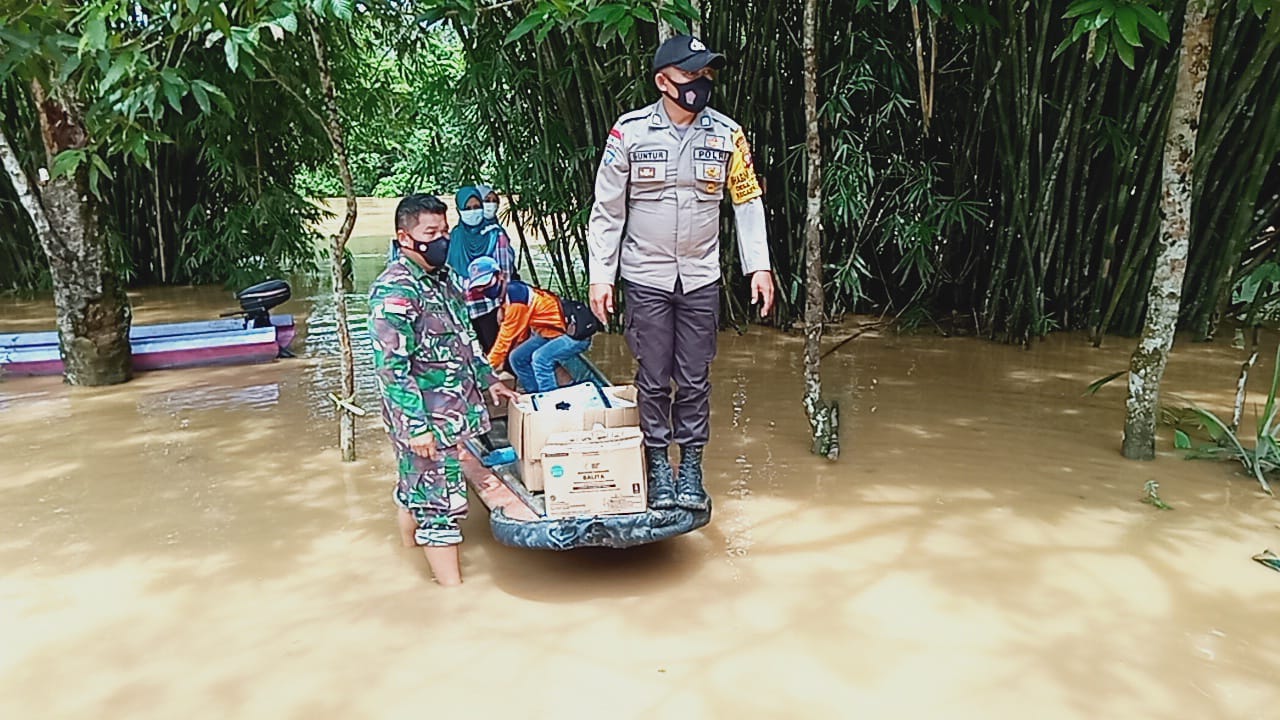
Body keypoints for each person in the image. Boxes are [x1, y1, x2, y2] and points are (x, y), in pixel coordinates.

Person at [587, 35, 775, 513]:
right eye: (691, 75)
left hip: (700, 278)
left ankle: (689, 468)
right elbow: (607, 212)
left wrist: (759, 267)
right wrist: (600, 276)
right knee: (653, 378)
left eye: (706, 75)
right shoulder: (627, 134)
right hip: (645, 276)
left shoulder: (728, 135)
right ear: (663, 81)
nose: (701, 84)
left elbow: (747, 201)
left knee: (693, 378)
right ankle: (657, 469)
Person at [368, 193, 518, 587]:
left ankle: (408, 552)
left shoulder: (445, 280)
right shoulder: (395, 292)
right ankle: (452, 597)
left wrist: (490, 380)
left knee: (413, 487)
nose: (442, 239)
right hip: (426, 421)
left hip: (452, 411)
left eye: (444, 230)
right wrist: (415, 428)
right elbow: (391, 369)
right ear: (405, 238)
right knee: (439, 507)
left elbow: (466, 338)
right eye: (430, 232)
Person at [464, 257, 599, 394]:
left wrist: (484, 371)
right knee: (517, 357)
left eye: (486, 283)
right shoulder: (509, 295)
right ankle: (533, 394)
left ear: (500, 276)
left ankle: (549, 400)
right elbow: (520, 335)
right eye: (479, 287)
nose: (484, 289)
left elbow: (504, 342)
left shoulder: (517, 298)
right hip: (550, 333)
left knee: (540, 358)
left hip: (572, 335)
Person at [447, 186, 516, 353]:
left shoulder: (495, 236)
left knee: (496, 354)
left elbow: (505, 275)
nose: (473, 212)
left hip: (489, 306)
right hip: (463, 308)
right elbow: (449, 272)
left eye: (477, 207)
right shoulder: (454, 236)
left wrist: (504, 306)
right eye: (468, 208)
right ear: (459, 210)